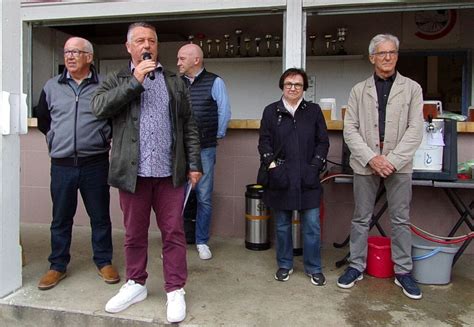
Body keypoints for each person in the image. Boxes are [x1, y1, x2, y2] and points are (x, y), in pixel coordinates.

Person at [91, 22, 202, 323]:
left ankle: (175, 288)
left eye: (151, 40)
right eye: (140, 40)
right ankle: (136, 283)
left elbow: (189, 125)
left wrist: (194, 163)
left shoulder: (175, 81)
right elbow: (99, 107)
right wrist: (135, 80)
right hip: (133, 173)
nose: (147, 44)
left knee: (173, 233)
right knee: (134, 234)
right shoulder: (117, 79)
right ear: (129, 47)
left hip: (169, 173)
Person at [337, 34, 424, 300]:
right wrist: (372, 158)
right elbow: (349, 129)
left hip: (399, 163)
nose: (387, 57)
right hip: (366, 163)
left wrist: (392, 160)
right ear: (372, 57)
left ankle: (403, 272)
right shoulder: (358, 90)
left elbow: (416, 129)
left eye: (392, 52)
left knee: (400, 218)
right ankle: (356, 266)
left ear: (397, 55)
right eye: (381, 53)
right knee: (361, 217)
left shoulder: (412, 88)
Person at [35, 37, 119, 290]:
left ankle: (104, 261)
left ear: (89, 57)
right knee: (61, 218)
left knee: (100, 216)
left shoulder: (105, 85)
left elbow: (116, 119)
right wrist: (55, 138)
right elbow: (43, 121)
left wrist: (101, 137)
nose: (70, 56)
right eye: (67, 52)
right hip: (61, 165)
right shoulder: (51, 86)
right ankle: (57, 265)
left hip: (94, 163)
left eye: (76, 52)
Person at [258, 68, 329, 286]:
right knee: (282, 225)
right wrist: (272, 167)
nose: (292, 88)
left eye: (298, 84)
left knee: (312, 226)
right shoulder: (271, 111)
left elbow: (323, 142)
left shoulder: (314, 111)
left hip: (308, 177)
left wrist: (315, 165)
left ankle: (314, 267)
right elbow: (264, 142)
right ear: (282, 85)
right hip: (281, 177)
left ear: (304, 88)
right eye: (288, 83)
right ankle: (284, 264)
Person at [177, 43, 231, 260]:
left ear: (196, 60)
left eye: (182, 58)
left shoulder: (215, 81)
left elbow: (224, 111)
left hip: (205, 148)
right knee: (175, 197)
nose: (178, 62)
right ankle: (176, 243)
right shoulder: (175, 82)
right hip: (178, 151)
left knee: (204, 197)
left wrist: (214, 135)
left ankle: (201, 241)